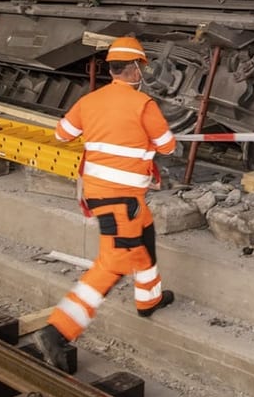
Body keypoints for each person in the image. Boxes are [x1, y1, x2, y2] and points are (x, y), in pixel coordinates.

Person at [34, 36, 177, 372]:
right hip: (121, 199)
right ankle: (57, 332)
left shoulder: (90, 101)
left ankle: (149, 299)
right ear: (135, 68)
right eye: (142, 66)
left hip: (105, 195)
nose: (143, 71)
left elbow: (61, 134)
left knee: (145, 234)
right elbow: (168, 148)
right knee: (113, 263)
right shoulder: (144, 105)